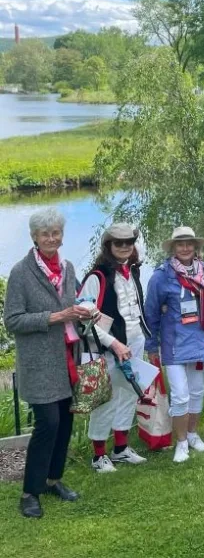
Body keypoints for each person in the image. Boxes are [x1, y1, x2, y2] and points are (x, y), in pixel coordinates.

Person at [4, 207, 88, 518]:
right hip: (39, 364)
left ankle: (53, 480)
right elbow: (12, 320)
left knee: (65, 423)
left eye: (55, 233)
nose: (51, 238)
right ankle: (30, 492)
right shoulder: (21, 273)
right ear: (34, 238)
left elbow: (75, 302)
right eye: (45, 234)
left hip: (66, 359)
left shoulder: (67, 268)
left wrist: (84, 311)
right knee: (48, 424)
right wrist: (55, 317)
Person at [77, 223, 149, 473]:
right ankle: (99, 456)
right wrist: (113, 343)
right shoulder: (96, 277)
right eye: (119, 243)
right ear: (108, 246)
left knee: (128, 394)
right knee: (105, 400)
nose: (125, 247)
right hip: (106, 347)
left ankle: (120, 449)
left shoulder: (134, 271)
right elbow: (83, 320)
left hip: (135, 340)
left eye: (129, 242)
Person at [145, 227, 204, 463]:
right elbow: (151, 312)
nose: (185, 248)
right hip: (174, 344)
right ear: (173, 248)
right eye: (180, 244)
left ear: (195, 247)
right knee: (180, 396)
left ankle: (193, 435)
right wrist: (151, 345)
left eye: (189, 244)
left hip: (198, 342)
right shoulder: (161, 276)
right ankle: (182, 443)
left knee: (197, 393)